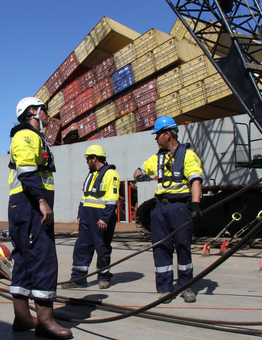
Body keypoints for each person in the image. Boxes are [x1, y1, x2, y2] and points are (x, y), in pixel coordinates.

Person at [8, 97, 72, 339]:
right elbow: (26, 172)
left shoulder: (33, 138)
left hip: (23, 205)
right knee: (43, 257)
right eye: (44, 110)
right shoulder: (26, 136)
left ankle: (23, 318)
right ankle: (45, 322)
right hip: (31, 205)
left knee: (24, 259)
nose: (47, 114)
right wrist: (42, 201)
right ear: (33, 111)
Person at [133, 116, 204, 303]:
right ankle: (165, 288)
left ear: (167, 134)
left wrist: (195, 204)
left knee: (183, 247)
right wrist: (140, 176)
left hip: (179, 207)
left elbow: (195, 181)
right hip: (159, 208)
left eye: (157, 135)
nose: (155, 139)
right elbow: (138, 171)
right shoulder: (157, 158)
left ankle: (185, 286)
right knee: (161, 248)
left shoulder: (188, 156)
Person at [62, 145, 120, 290]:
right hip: (87, 217)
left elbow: (112, 199)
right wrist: (80, 215)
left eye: (88, 159)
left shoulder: (111, 174)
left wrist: (105, 218)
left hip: (101, 217)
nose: (87, 162)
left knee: (102, 248)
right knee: (81, 247)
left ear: (94, 159)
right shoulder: (92, 174)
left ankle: (104, 277)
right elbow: (85, 197)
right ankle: (78, 279)